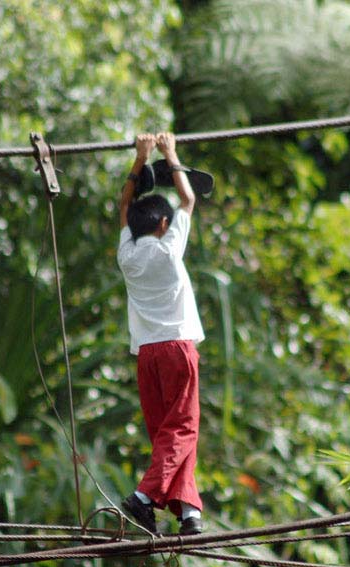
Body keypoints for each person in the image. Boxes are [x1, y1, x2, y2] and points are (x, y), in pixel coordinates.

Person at [116, 132, 205, 536]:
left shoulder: (127, 256)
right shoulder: (170, 250)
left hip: (148, 356)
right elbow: (188, 200)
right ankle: (145, 497)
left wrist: (140, 159)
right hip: (178, 348)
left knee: (167, 435)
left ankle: (188, 513)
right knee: (183, 429)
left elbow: (123, 207)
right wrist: (171, 155)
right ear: (164, 224)